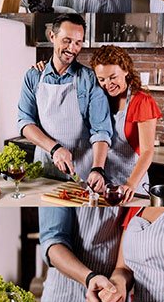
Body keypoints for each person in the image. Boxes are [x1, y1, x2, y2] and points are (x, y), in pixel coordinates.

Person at [18, 13, 112, 192]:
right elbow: (25, 123)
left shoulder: (89, 79)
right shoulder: (33, 76)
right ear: (52, 37)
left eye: (78, 42)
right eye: (67, 40)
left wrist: (98, 168)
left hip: (82, 173)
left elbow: (101, 130)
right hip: (44, 170)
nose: (72, 48)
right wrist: (55, 149)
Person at [38, 204, 126, 302]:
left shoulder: (139, 186)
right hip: (67, 299)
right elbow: (53, 243)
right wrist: (90, 278)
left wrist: (119, 282)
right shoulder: (62, 187)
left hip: (114, 298)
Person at [89, 46, 162, 200]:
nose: (108, 84)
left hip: (131, 187)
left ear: (126, 70)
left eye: (113, 77)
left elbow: (148, 151)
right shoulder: (100, 99)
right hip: (104, 184)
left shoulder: (142, 101)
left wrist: (130, 184)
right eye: (101, 79)